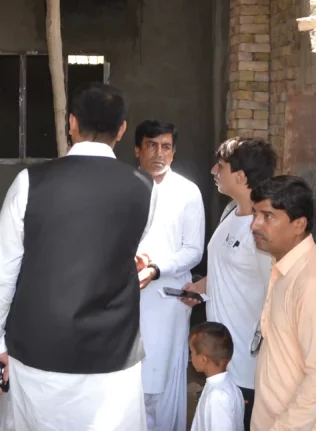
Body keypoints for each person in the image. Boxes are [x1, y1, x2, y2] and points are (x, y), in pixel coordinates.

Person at [0, 83, 157, 431]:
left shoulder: (30, 182)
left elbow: (2, 271)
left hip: (39, 346)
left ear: (71, 123)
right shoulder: (144, 187)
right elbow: (127, 247)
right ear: (122, 130)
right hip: (113, 351)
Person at [181, 138, 277, 430]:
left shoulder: (262, 230)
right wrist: (199, 288)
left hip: (247, 368)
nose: (213, 170)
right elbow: (229, 272)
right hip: (223, 362)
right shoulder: (229, 213)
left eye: (220, 166)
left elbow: (274, 292)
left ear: (241, 176)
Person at [249, 176, 316, 431]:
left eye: (268, 216)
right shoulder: (286, 266)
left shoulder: (315, 283)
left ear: (298, 225)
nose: (255, 224)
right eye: (255, 214)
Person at [133, 120, 205, 431]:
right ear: (138, 150)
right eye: (151, 145)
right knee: (128, 381)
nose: (159, 153)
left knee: (160, 380)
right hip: (125, 295)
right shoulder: (125, 187)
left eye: (166, 147)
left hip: (166, 299)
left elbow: (194, 250)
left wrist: (157, 268)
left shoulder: (187, 193)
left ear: (174, 154)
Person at [189, 322, 245, 431]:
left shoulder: (218, 397)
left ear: (203, 360)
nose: (190, 356)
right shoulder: (228, 386)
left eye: (192, 352)